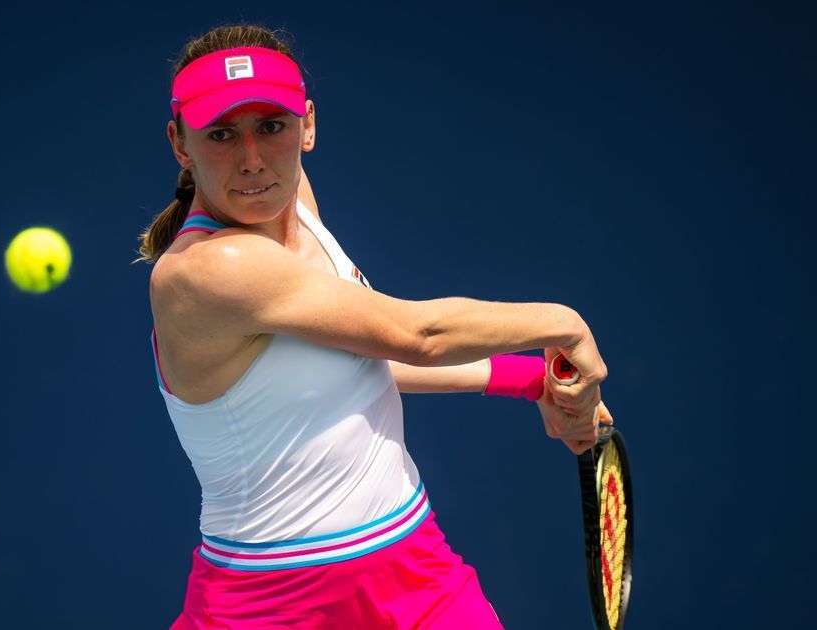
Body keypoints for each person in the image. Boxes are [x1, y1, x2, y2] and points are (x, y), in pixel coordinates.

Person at [136, 25, 611, 629]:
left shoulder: (291, 203)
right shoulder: (210, 270)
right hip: (271, 607)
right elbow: (416, 335)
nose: (252, 158)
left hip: (416, 570)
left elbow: (353, 363)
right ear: (180, 142)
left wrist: (527, 380)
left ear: (307, 124)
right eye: (222, 134)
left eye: (271, 127)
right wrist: (563, 326)